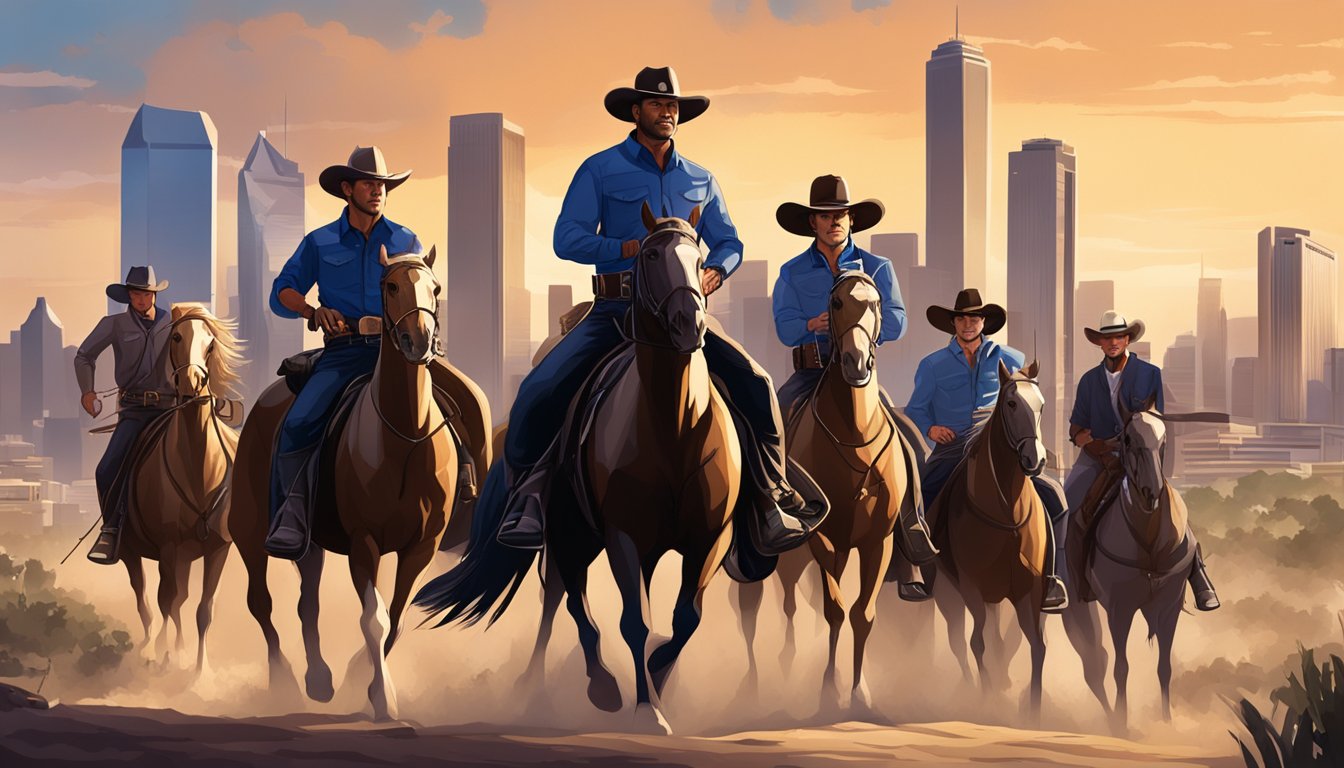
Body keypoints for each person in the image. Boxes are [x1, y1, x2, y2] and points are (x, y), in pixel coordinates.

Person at [495, 66, 823, 554]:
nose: (667, 112)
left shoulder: (701, 178)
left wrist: (716, 271)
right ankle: (529, 497)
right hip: (616, 309)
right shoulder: (600, 169)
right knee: (541, 388)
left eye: (672, 106)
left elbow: (729, 241)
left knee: (753, 382)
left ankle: (772, 496)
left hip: (685, 311)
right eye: (657, 104)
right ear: (635, 111)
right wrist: (629, 247)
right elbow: (567, 238)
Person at [771, 174, 938, 567]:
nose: (834, 222)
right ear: (812, 223)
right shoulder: (792, 272)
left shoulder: (878, 268)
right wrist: (816, 323)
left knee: (910, 442)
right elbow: (784, 327)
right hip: (811, 375)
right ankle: (766, 519)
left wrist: (860, 324)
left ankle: (911, 525)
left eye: (840, 215)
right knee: (770, 432)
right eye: (825, 216)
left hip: (859, 377)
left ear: (851, 220)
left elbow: (897, 320)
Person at [264, 145, 422, 558]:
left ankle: (463, 485)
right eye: (370, 184)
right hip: (346, 351)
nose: (378, 191)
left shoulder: (406, 239)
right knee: (298, 422)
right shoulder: (319, 242)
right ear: (347, 189)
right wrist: (313, 311)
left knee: (458, 402)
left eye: (383, 185)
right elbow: (282, 293)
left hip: (401, 350)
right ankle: (292, 511)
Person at [906, 289, 1069, 612]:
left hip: (1000, 447)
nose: (969, 324)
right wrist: (931, 429)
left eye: (975, 318)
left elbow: (1025, 402)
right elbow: (916, 409)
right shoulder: (932, 364)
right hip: (952, 448)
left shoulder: (1012, 358)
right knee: (915, 495)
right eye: (963, 318)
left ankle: (1053, 578)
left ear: (984, 322)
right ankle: (916, 573)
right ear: (953, 323)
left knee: (1056, 499)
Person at [1064, 310, 1219, 611]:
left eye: (1118, 337)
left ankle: (1199, 576)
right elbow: (1076, 429)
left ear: (1127, 339)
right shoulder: (1088, 381)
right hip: (1098, 459)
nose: (1113, 342)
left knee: (1174, 508)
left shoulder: (1150, 374)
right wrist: (1090, 442)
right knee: (1068, 508)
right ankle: (1071, 582)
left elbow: (1161, 425)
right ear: (1100, 343)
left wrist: (1161, 467)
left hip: (1141, 456)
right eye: (1107, 338)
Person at [74, 266, 175, 564]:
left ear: (154, 294)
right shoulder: (114, 324)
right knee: (106, 470)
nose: (140, 299)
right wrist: (87, 391)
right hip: (135, 410)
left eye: (145, 294)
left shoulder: (174, 322)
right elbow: (84, 355)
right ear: (128, 296)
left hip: (173, 408)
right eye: (134, 294)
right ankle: (112, 530)